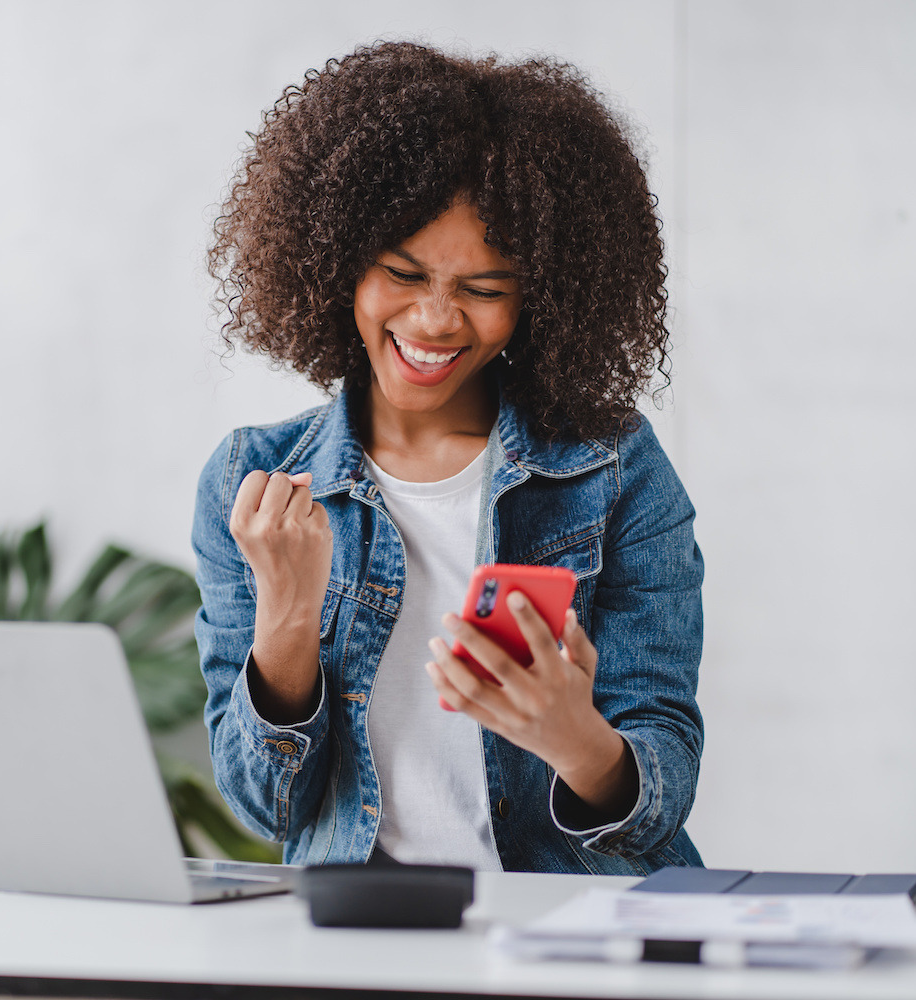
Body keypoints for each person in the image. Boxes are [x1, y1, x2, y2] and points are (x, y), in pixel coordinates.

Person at [192, 42, 704, 876]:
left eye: (485, 289)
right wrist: (286, 616)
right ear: (336, 262)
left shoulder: (613, 470)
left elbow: (659, 796)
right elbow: (265, 807)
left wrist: (577, 742)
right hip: (361, 939)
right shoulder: (254, 482)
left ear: (540, 297)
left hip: (572, 931)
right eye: (403, 272)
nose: (435, 321)